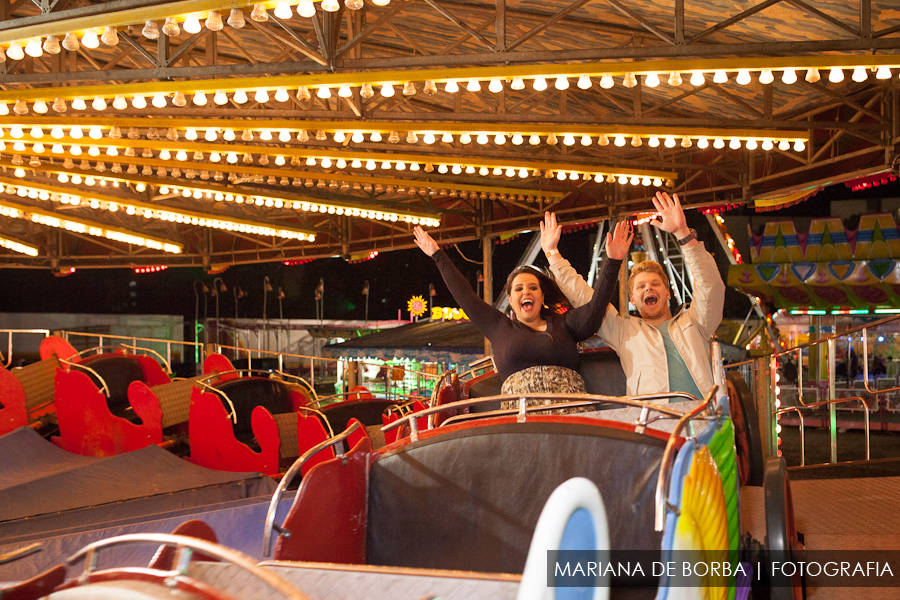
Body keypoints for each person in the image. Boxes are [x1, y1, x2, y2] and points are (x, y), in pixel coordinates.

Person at [412, 221, 632, 413]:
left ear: (542, 295)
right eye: (518, 289)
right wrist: (437, 255)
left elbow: (595, 309)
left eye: (532, 287)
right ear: (510, 298)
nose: (526, 292)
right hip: (522, 419)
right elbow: (466, 296)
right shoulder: (499, 327)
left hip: (571, 415)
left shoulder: (564, 324)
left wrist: (612, 262)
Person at [542, 191, 725, 402]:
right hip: (653, 423)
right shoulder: (624, 332)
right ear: (632, 299)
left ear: (667, 293)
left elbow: (710, 287)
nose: (648, 289)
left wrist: (683, 234)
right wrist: (552, 254)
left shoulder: (695, 323)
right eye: (641, 287)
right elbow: (587, 300)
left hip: (702, 419)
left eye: (655, 284)